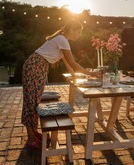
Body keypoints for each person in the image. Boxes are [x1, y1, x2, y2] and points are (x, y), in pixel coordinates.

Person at [22, 19, 100, 149]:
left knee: (34, 100)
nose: (79, 35)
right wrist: (91, 74)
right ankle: (31, 139)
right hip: (35, 67)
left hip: (37, 66)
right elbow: (73, 63)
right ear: (71, 30)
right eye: (79, 31)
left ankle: (34, 133)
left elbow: (66, 62)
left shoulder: (62, 39)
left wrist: (74, 76)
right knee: (31, 102)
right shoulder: (62, 40)